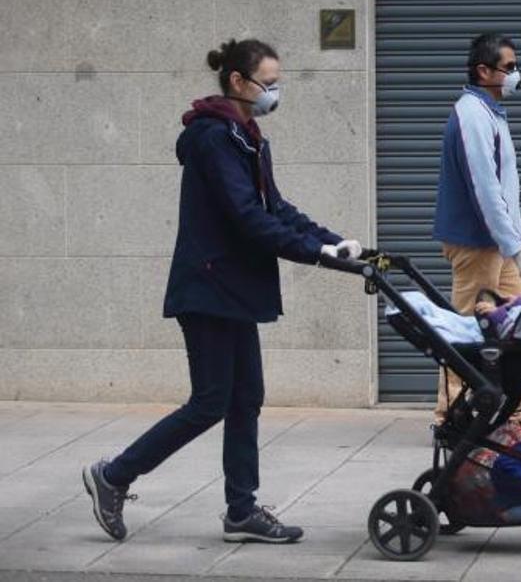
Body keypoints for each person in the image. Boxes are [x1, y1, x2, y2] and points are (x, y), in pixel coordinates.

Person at [83, 39, 363, 544]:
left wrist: (332, 242)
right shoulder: (214, 139)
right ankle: (114, 476)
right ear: (238, 82)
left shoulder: (248, 137)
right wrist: (313, 254)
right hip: (209, 285)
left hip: (233, 287)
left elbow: (275, 206)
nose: (274, 92)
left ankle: (241, 510)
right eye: (268, 83)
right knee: (211, 401)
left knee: (246, 398)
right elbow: (247, 217)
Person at [431, 32, 521, 436]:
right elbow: (484, 189)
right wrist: (513, 244)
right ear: (483, 71)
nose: (516, 74)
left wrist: (513, 242)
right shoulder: (471, 115)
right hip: (476, 243)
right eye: (509, 67)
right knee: (466, 331)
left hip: (499, 244)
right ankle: (450, 416)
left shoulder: (490, 113)